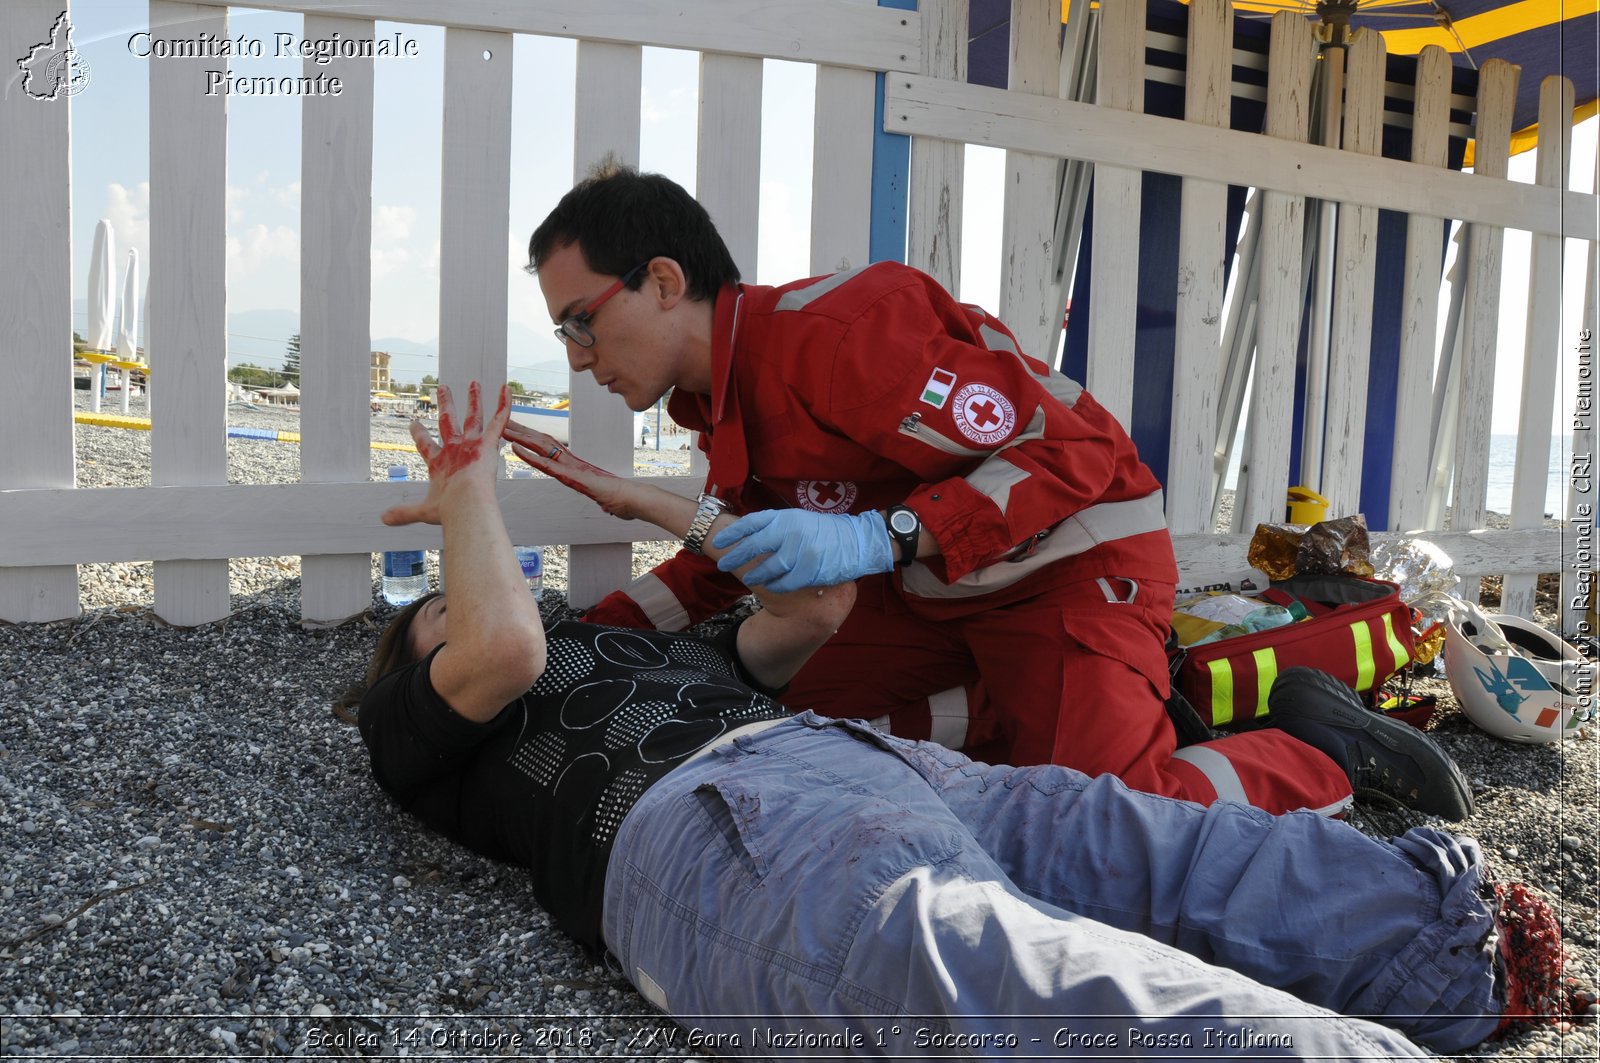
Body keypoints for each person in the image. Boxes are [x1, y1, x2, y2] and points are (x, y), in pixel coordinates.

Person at [345, 381, 1579, 1059]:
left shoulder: (620, 645)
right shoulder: (421, 729)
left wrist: (637, 496)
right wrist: (464, 495)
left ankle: (1448, 954)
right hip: (702, 833)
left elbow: (816, 601)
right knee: (1020, 980)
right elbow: (502, 642)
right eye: (439, 611)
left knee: (1148, 846)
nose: (479, 605)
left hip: (863, 764)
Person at [518, 162, 1471, 820]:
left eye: (580, 322)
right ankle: (1071, 704)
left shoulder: (840, 335)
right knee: (805, 739)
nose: (576, 357)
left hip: (1070, 562)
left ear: (665, 280)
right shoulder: (714, 400)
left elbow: (1072, 453)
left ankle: (1313, 750)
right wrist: (575, 637)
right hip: (937, 595)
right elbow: (719, 569)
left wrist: (882, 535)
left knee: (1110, 821)